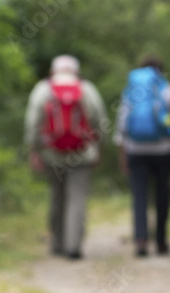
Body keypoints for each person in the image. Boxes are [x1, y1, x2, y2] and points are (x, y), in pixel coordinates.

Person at [24, 55, 108, 260]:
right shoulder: (87, 89)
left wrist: (33, 150)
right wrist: (98, 147)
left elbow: (33, 122)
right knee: (76, 198)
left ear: (53, 71)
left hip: (51, 154)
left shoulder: (43, 90)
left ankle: (57, 243)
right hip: (82, 155)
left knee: (57, 196)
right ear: (76, 71)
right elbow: (100, 121)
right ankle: (73, 246)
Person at [114, 56, 170, 257]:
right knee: (162, 194)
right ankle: (160, 241)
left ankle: (140, 241)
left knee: (139, 196)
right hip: (163, 151)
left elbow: (122, 127)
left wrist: (122, 156)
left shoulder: (131, 91)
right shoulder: (169, 90)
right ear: (161, 71)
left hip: (135, 150)